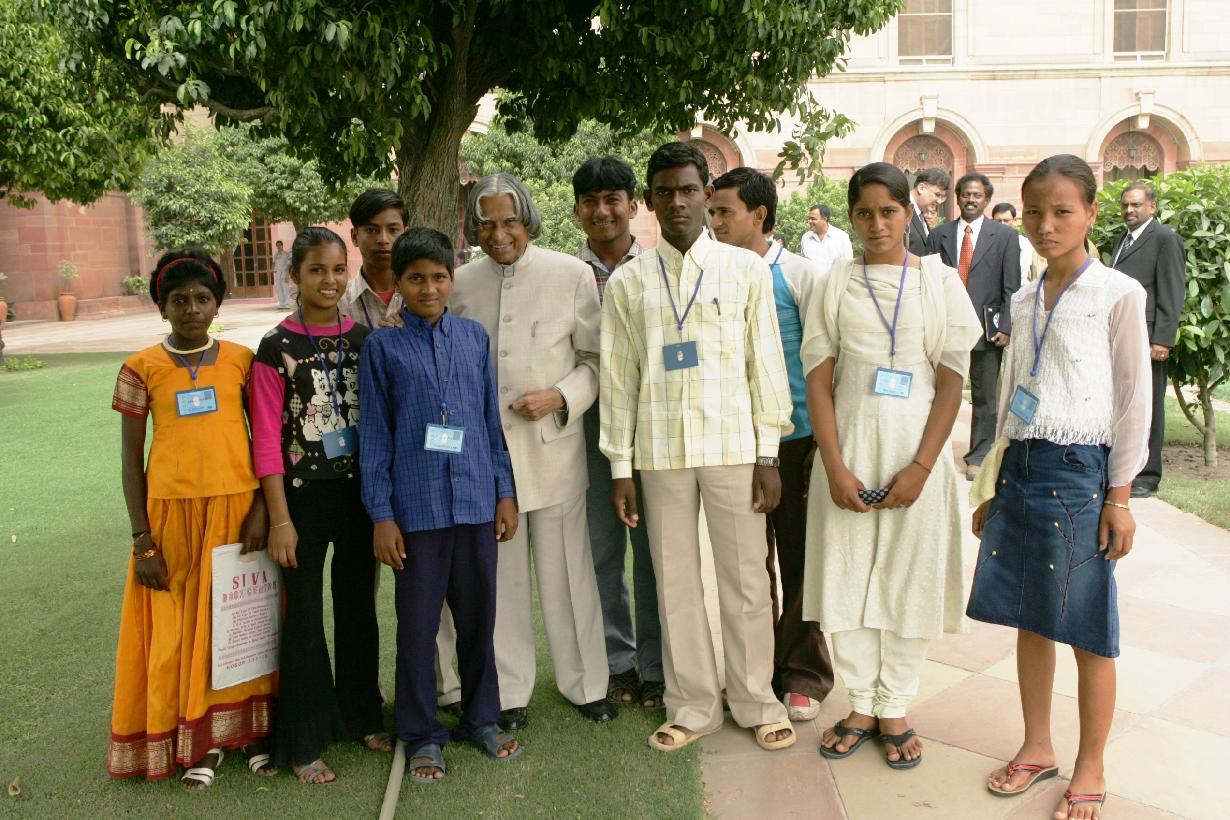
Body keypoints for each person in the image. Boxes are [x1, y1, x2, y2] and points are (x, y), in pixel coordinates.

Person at [967, 154, 1151, 820]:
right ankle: (1037, 745)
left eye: (1063, 211)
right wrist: (993, 481)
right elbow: (1015, 394)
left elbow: (1133, 400)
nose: (1046, 225)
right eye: (1035, 212)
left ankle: (1091, 762)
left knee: (1086, 623)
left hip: (1079, 474)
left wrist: (1119, 496)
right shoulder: (1024, 298)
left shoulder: (1118, 294)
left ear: (1092, 213)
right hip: (1022, 468)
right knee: (1030, 614)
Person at [601, 141, 795, 753]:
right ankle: (693, 706)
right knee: (674, 583)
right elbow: (619, 380)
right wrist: (620, 466)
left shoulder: (745, 270)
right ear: (649, 201)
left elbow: (765, 364)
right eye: (664, 192)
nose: (677, 202)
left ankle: (756, 699)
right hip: (659, 453)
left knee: (745, 580)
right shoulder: (628, 282)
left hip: (734, 446)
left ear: (707, 195)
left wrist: (769, 454)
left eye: (688, 190)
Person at [802, 163, 981, 770]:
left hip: (917, 455)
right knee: (847, 574)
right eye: (864, 212)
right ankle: (861, 704)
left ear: (909, 212)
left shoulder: (939, 282)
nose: (876, 223)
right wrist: (833, 466)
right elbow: (819, 380)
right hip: (848, 450)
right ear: (851, 217)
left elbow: (952, 381)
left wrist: (923, 467)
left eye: (888, 211)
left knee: (912, 577)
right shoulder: (834, 282)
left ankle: (895, 703)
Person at [449, 173, 613, 729]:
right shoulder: (459, 284)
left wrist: (559, 396)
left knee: (569, 574)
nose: (499, 235)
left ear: (528, 221)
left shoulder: (571, 275)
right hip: (486, 460)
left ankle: (587, 685)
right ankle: (509, 693)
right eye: (486, 224)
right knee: (502, 579)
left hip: (554, 450)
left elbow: (595, 362)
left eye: (509, 222)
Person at [360, 227, 522, 784]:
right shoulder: (381, 348)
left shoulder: (473, 338)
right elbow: (375, 437)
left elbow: (489, 423)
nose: (428, 288)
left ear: (452, 278)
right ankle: (421, 732)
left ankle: (482, 718)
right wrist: (382, 515)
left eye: (438, 277)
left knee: (479, 620)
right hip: (417, 511)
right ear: (398, 283)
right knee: (417, 628)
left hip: (475, 502)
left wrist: (504, 492)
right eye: (415, 279)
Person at [109, 250, 277, 789]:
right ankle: (198, 741)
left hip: (236, 511)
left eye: (202, 298)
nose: (192, 309)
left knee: (239, 625)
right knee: (178, 633)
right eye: (179, 300)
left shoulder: (242, 360)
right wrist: (143, 540)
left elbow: (265, 439)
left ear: (217, 305)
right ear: (162, 308)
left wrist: (261, 509)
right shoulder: (141, 368)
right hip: (171, 517)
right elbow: (130, 461)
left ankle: (247, 732)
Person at [249, 227, 387, 784]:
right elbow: (266, 440)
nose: (328, 281)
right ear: (295, 276)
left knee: (358, 608)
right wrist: (279, 518)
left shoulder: (365, 341)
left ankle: (362, 715)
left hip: (358, 497)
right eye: (315, 270)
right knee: (303, 618)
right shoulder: (275, 347)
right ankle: (304, 741)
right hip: (300, 502)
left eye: (336, 270)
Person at [708, 167, 835, 722]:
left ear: (759, 215)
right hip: (734, 443)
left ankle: (803, 672)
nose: (714, 222)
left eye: (724, 212)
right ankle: (754, 674)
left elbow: (827, 362)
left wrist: (826, 443)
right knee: (748, 568)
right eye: (712, 212)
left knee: (800, 561)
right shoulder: (712, 274)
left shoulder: (801, 275)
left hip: (796, 443)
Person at [572, 155, 665, 710]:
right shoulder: (565, 276)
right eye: (591, 201)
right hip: (586, 428)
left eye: (613, 199)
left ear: (634, 206)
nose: (602, 210)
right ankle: (617, 662)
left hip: (651, 426)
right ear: (577, 210)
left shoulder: (659, 269)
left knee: (653, 551)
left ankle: (656, 666)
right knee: (601, 549)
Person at [926, 173, 1023, 481]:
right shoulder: (938, 235)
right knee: (939, 391)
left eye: (977, 195)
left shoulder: (1004, 237)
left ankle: (979, 456)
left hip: (986, 328)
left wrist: (1006, 325)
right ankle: (934, 453)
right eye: (966, 194)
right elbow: (927, 283)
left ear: (987, 200)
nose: (970, 199)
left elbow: (1012, 285)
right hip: (945, 327)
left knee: (985, 397)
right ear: (957, 198)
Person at [1109, 181, 1186, 498]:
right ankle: (1126, 468)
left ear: (1152, 207)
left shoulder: (1165, 239)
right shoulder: (1122, 240)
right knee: (1126, 403)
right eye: (1125, 205)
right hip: (1123, 335)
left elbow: (1172, 290)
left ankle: (1148, 475)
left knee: (1149, 405)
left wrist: (1162, 340)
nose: (1129, 210)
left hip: (1149, 338)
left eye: (1136, 204)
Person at [338, 188, 408, 329]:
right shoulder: (338, 302)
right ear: (354, 237)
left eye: (393, 230)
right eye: (371, 230)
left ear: (406, 235)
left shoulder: (424, 296)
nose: (383, 240)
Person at [906, 168, 950, 257]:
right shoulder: (902, 209)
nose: (939, 201)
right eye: (937, 195)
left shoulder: (921, 214)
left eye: (942, 197)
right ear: (921, 188)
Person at [799, 204, 854, 272]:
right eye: (809, 219)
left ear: (824, 219)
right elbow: (803, 265)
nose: (809, 221)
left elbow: (849, 266)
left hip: (836, 278)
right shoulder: (805, 238)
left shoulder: (842, 237)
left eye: (813, 219)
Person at [992, 202, 1036, 280]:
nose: (1002, 224)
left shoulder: (1026, 244)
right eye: (998, 221)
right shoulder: (986, 244)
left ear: (1014, 220)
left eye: (1006, 220)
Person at [272, 240, 293, 309]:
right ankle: (282, 304)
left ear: (282, 245)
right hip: (277, 274)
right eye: (277, 245)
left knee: (285, 289)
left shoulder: (286, 254)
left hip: (284, 273)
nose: (278, 246)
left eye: (279, 245)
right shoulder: (275, 254)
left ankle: (287, 304)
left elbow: (289, 265)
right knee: (279, 289)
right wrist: (272, 269)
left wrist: (288, 275)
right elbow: (273, 263)